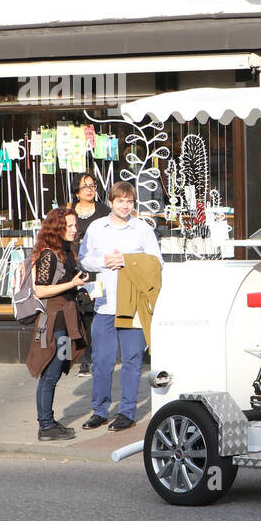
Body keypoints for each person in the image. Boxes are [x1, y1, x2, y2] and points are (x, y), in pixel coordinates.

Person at [78, 181, 163, 432]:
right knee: (102, 361)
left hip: (134, 305)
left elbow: (156, 264)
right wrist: (104, 261)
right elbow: (84, 259)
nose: (125, 206)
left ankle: (127, 412)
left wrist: (128, 261)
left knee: (132, 360)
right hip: (105, 304)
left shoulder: (142, 230)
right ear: (111, 203)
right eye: (120, 201)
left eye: (130, 201)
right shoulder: (96, 228)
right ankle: (100, 411)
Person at [26, 208, 91, 441]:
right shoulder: (48, 255)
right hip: (54, 322)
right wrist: (71, 283)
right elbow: (40, 290)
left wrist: (80, 287)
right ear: (57, 229)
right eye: (70, 226)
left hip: (65, 319)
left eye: (75, 225)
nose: (75, 229)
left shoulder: (65, 251)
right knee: (50, 373)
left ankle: (49, 421)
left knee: (59, 366)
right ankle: (45, 426)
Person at [69, 173, 108, 375]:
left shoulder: (103, 211)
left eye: (92, 185)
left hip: (95, 270)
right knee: (75, 313)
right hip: (73, 270)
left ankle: (90, 358)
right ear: (77, 191)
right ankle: (71, 356)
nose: (90, 189)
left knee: (92, 313)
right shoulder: (68, 212)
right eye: (85, 186)